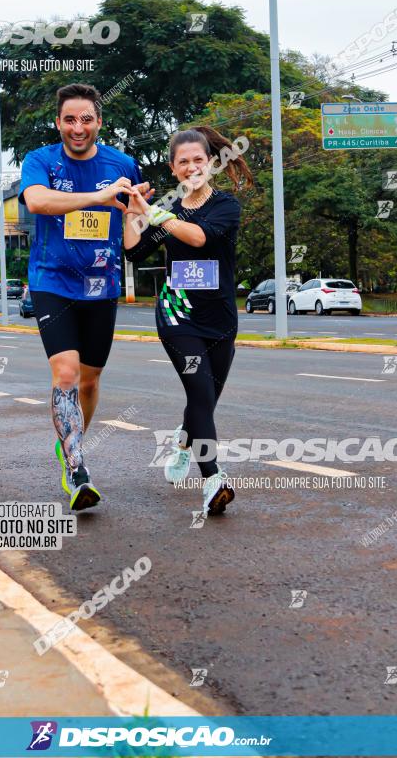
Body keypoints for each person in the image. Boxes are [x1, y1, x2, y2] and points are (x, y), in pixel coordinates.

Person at [19, 82, 152, 511]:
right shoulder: (40, 160)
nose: (78, 128)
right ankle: (77, 467)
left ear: (99, 122)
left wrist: (139, 215)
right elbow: (37, 202)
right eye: (70, 119)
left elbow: (131, 240)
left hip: (101, 285)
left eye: (87, 119)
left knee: (91, 381)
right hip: (51, 282)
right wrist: (97, 196)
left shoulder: (122, 163)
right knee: (66, 374)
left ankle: (70, 442)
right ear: (58, 122)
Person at [124, 125, 252, 516]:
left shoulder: (225, 206)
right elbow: (133, 251)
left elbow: (199, 238)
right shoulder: (167, 208)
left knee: (206, 399)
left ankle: (183, 441)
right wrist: (133, 211)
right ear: (173, 168)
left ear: (211, 163)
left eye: (199, 160)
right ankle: (213, 479)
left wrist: (157, 214)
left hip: (221, 319)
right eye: (184, 162)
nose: (192, 167)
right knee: (199, 393)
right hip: (178, 317)